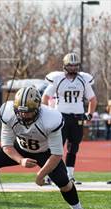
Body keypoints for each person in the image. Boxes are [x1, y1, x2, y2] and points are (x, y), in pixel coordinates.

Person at [0, 86, 91, 209]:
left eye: (28, 112)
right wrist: (21, 160)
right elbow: (6, 145)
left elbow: (57, 154)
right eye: (20, 112)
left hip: (45, 152)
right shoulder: (8, 113)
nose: (23, 115)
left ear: (37, 109)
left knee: (64, 183)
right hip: (20, 148)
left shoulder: (50, 118)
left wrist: (40, 175)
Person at [42, 52, 97, 184]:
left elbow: (93, 99)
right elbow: (45, 97)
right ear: (65, 66)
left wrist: (89, 114)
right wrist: (47, 113)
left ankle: (69, 175)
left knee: (73, 148)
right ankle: (50, 175)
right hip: (60, 117)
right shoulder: (58, 78)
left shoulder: (83, 79)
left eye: (75, 65)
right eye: (70, 65)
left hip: (78, 117)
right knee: (56, 148)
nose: (73, 68)